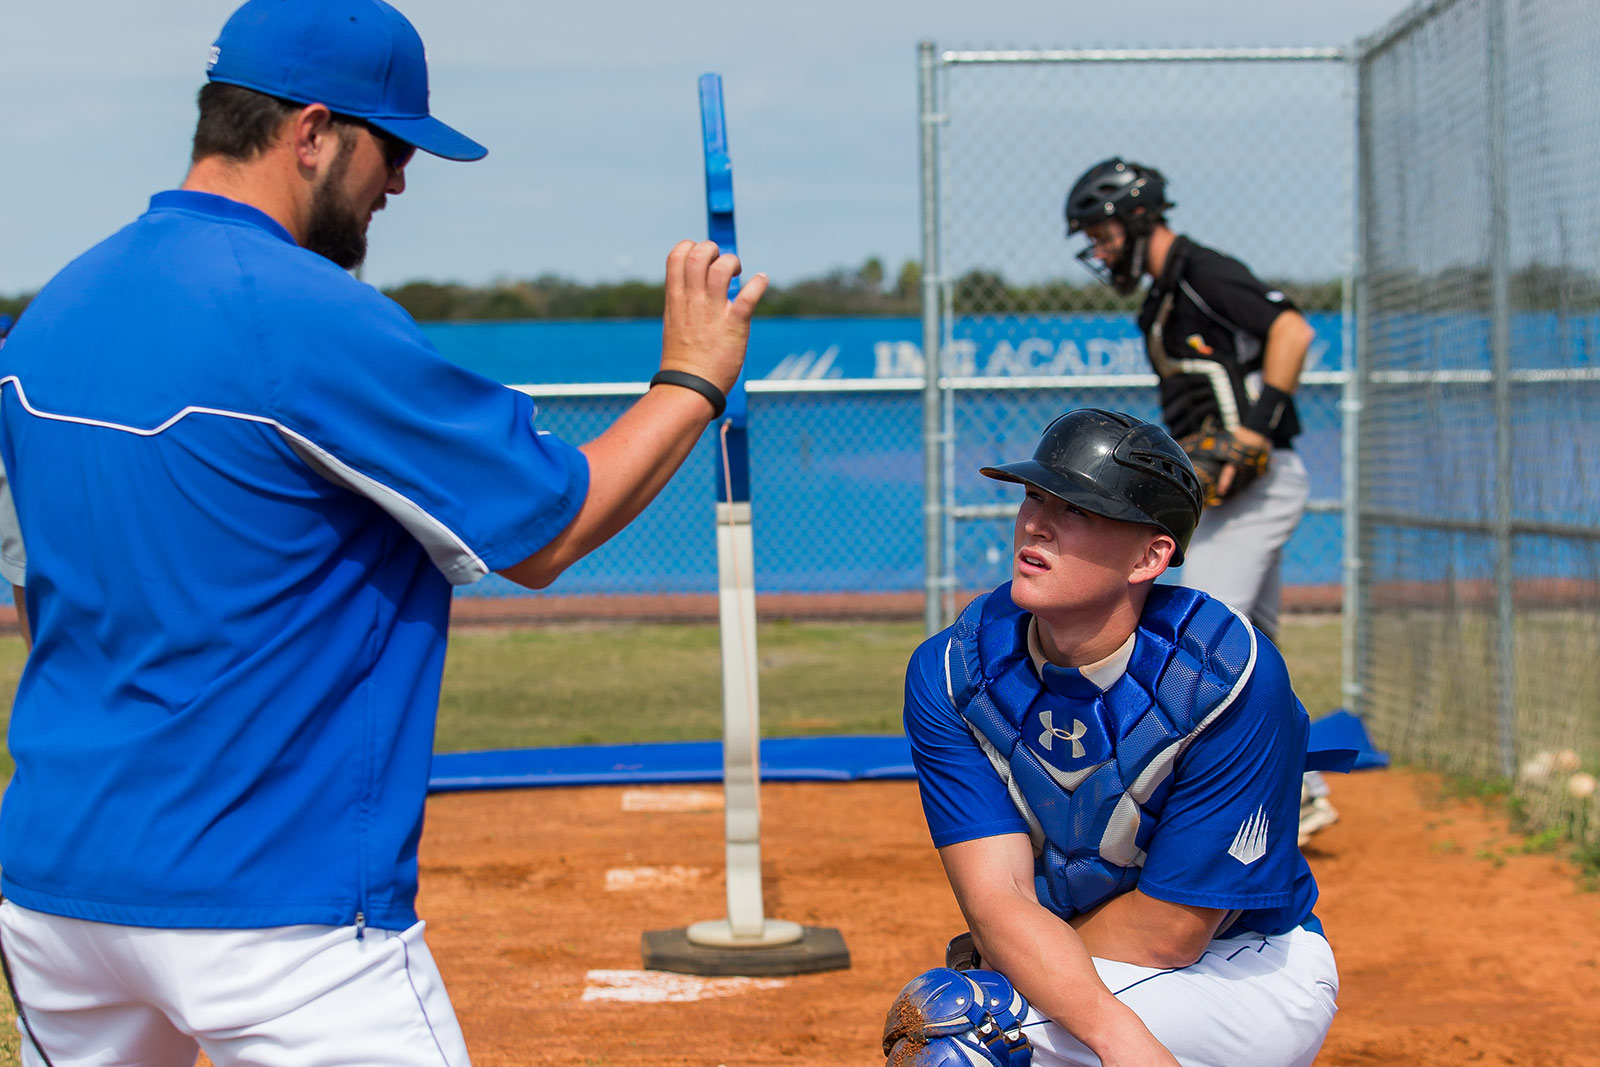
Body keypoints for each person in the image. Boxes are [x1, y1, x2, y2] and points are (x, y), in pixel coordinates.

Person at [0, 1, 765, 1065]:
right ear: (311, 131)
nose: (399, 181)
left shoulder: (57, 308)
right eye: (392, 147)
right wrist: (692, 375)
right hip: (272, 902)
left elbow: (36, 586)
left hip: (56, 891)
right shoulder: (303, 315)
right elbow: (550, 525)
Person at [885, 409, 1339, 1067]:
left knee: (967, 1029)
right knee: (968, 1015)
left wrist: (1074, 1003)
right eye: (1035, 495)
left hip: (1251, 966)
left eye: (1078, 511)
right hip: (1103, 957)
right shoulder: (954, 673)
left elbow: (1174, 930)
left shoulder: (1225, 677)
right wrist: (1050, 979)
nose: (1036, 522)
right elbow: (997, 899)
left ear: (1150, 556)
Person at [1063, 158, 1338, 844]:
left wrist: (1255, 426)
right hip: (1228, 487)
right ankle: (1299, 789)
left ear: (1136, 219)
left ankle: (1223, 792)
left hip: (1259, 478)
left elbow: (1292, 331)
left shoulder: (1199, 269)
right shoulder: (1162, 296)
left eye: (1101, 231)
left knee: (1204, 633)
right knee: (1253, 643)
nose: (1097, 249)